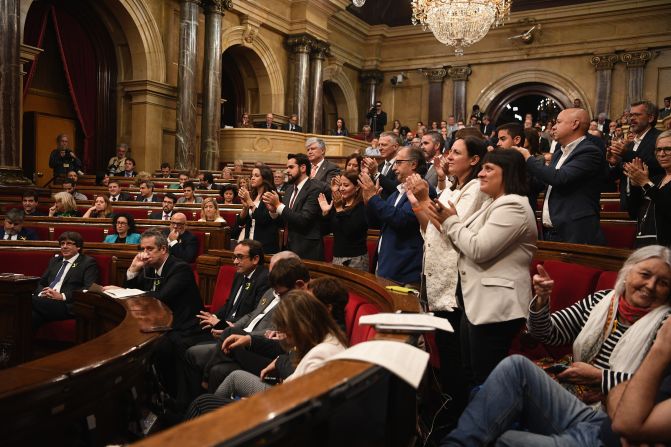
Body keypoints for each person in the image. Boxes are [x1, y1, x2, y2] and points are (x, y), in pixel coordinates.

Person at [426, 148, 537, 385]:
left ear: (507, 174)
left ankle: (489, 422)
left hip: (496, 306)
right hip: (477, 301)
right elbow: (465, 243)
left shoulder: (513, 206)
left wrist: (451, 221)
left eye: (489, 169)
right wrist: (452, 223)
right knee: (470, 372)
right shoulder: (493, 204)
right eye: (482, 168)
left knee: (486, 378)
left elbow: (478, 249)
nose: (480, 175)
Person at [406, 136, 488, 418]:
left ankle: (458, 416)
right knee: (445, 350)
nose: (448, 157)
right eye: (449, 151)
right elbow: (430, 229)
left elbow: (454, 231)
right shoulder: (453, 188)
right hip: (436, 273)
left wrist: (426, 197)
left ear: (474, 160)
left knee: (455, 357)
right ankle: (449, 409)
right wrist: (419, 203)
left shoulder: (476, 188)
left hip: (456, 281)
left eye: (456, 152)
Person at [527, 245, 671, 400]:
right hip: (571, 388)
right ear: (627, 273)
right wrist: (542, 299)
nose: (651, 286)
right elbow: (546, 333)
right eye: (645, 275)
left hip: (615, 406)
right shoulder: (601, 300)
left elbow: (660, 387)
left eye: (663, 283)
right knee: (518, 370)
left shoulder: (666, 326)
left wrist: (600, 378)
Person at [186, 289, 348, 419]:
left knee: (202, 403)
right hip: (280, 398)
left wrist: (255, 403)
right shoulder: (322, 337)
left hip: (277, 415)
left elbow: (296, 410)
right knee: (228, 377)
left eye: (285, 330)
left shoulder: (320, 354)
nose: (282, 335)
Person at [104, 228, 205, 402]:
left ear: (163, 249)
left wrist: (126, 290)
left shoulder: (180, 268)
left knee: (159, 347)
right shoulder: (149, 268)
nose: (144, 254)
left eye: (149, 249)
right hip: (156, 323)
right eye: (142, 249)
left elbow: (162, 298)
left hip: (183, 327)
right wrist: (133, 270)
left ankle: (173, 398)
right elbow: (136, 294)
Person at [517, 108, 607, 245]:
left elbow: (559, 178)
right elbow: (545, 182)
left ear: (575, 124)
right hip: (549, 230)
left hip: (575, 231)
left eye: (558, 122)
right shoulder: (560, 151)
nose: (553, 127)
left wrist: (528, 158)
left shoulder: (589, 151)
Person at [361, 146, 435, 285]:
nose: (394, 168)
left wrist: (374, 199)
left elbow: (402, 220)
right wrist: (369, 204)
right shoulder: (396, 192)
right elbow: (377, 224)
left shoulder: (423, 189)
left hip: (405, 271)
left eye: (399, 162)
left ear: (413, 164)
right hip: (386, 266)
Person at [32, 232, 99, 329]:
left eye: (69, 243)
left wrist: (62, 296)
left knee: (25, 299)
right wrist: (42, 292)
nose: (64, 246)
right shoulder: (55, 260)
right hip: (45, 301)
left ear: (78, 247)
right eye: (62, 243)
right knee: (31, 317)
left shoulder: (87, 262)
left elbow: (88, 288)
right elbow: (41, 282)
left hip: (65, 304)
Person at [263, 153, 324, 260]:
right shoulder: (289, 189)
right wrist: (274, 211)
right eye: (287, 167)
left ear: (303, 168)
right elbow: (284, 223)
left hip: (307, 249)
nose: (287, 171)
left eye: (291, 167)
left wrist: (278, 205)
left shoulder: (314, 189)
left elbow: (303, 220)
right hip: (288, 247)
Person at [197, 240, 270, 328]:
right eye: (234, 257)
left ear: (255, 259)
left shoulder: (264, 279)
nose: (235, 262)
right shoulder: (239, 275)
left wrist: (221, 323)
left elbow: (254, 314)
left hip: (241, 330)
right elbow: (230, 304)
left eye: (240, 257)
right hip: (226, 325)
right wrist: (213, 317)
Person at [609, 100, 663, 216]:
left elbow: (658, 165)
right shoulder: (631, 144)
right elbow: (619, 175)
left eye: (637, 115)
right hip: (629, 204)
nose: (631, 119)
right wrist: (613, 163)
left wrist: (626, 154)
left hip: (650, 203)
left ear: (650, 118)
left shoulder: (659, 138)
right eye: (631, 115)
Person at [624, 130, 671, 247]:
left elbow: (667, 206)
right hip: (643, 246)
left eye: (668, 149)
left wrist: (645, 183)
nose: (662, 154)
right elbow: (633, 213)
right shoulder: (655, 179)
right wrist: (635, 185)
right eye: (658, 150)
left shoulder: (648, 182)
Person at [318, 172, 369, 271]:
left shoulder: (361, 206)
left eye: (346, 185)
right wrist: (325, 213)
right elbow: (324, 231)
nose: (341, 189)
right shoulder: (338, 205)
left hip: (355, 259)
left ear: (357, 187)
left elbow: (349, 231)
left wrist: (339, 209)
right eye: (340, 185)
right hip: (337, 257)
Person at [238, 164, 280, 254]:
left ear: (265, 178)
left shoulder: (272, 195)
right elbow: (240, 222)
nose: (252, 178)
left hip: (265, 245)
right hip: (249, 241)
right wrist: (245, 207)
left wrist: (249, 201)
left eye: (256, 176)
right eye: (252, 176)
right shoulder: (253, 195)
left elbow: (263, 219)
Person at [363, 131, 401, 200]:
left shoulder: (401, 165)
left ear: (395, 146)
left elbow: (397, 188)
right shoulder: (379, 166)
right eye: (379, 145)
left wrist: (376, 173)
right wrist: (365, 175)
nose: (380, 148)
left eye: (384, 145)